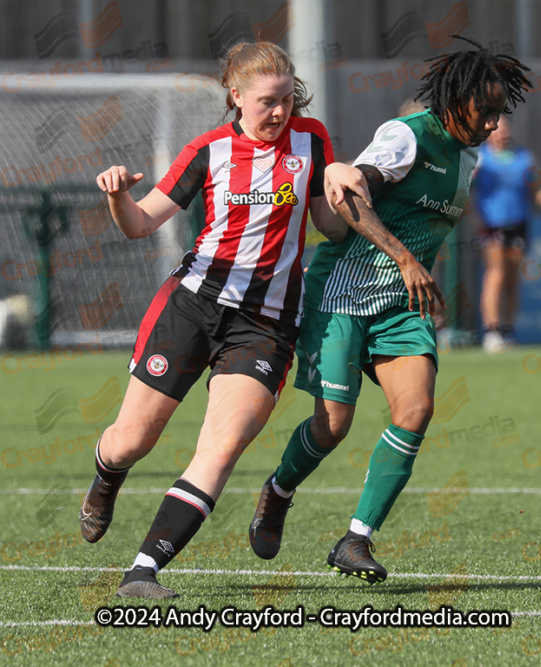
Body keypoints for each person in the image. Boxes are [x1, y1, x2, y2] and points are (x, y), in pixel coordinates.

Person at [81, 41, 363, 598]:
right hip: (191, 306)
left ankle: (143, 572)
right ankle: (107, 477)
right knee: (130, 441)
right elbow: (139, 224)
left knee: (222, 447)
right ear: (235, 96)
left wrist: (342, 190)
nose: (278, 112)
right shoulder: (207, 150)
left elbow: (331, 228)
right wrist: (118, 196)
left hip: (267, 324)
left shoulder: (312, 139)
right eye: (265, 102)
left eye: (285, 99)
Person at [247, 37, 532, 584]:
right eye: (486, 110)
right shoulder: (407, 136)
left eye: (501, 113)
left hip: (401, 307)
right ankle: (279, 491)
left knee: (417, 410)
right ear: (458, 99)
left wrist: (416, 272)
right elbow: (349, 196)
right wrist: (404, 258)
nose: (494, 123)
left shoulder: (469, 157)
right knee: (333, 426)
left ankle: (356, 540)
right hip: (340, 295)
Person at [471, 116, 541, 352]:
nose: (501, 132)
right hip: (492, 225)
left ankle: (508, 331)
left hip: (518, 225)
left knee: (512, 280)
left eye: (505, 128)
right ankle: (492, 332)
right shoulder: (480, 159)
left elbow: (536, 193)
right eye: (496, 128)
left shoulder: (524, 158)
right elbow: (467, 189)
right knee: (495, 275)